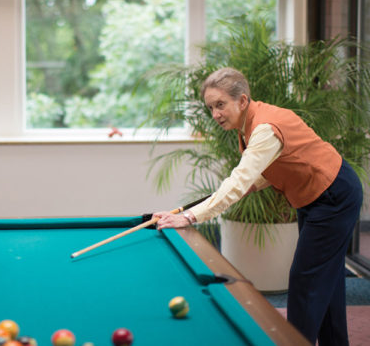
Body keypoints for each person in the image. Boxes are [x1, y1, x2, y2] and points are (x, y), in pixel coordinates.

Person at [154, 67, 362, 345]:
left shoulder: (264, 127)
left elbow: (238, 180)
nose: (215, 114)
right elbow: (270, 168)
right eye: (211, 107)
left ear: (242, 101)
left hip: (334, 195)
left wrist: (191, 216)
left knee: (305, 281)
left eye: (220, 105)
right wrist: (243, 187)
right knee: (327, 278)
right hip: (315, 196)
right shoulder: (249, 124)